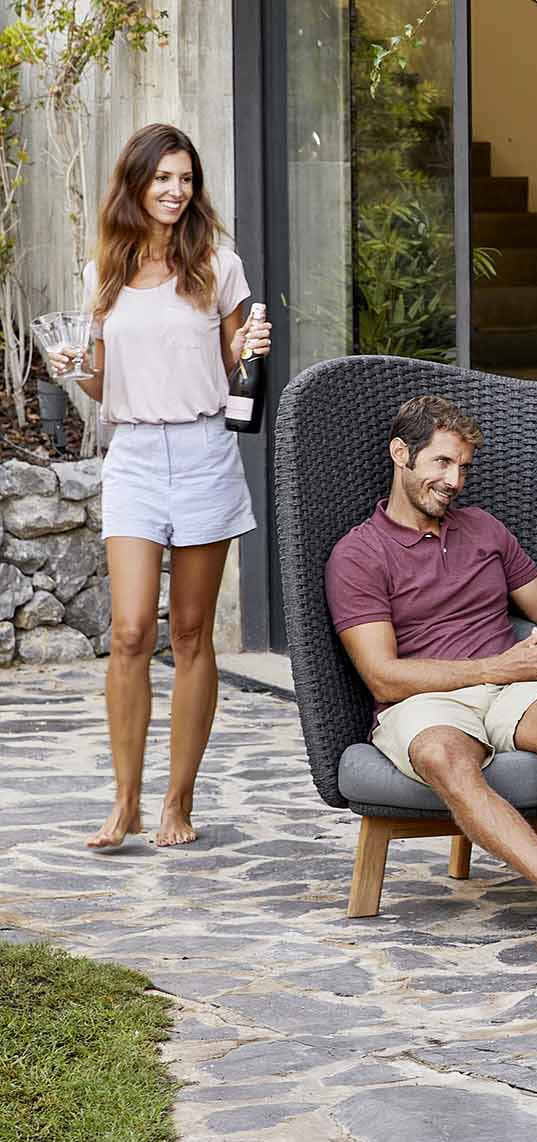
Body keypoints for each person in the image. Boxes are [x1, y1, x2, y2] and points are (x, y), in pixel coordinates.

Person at [325, 395, 537, 965]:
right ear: (401, 455)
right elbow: (383, 677)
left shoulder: (484, 529)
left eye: (463, 467)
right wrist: (494, 668)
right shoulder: (358, 555)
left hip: (510, 686)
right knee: (443, 756)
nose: (454, 480)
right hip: (425, 699)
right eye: (441, 464)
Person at [50, 123, 273, 849]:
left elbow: (241, 369)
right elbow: (100, 381)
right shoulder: (105, 273)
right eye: (163, 179)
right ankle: (125, 803)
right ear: (137, 185)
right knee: (129, 631)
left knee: (190, 633)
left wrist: (249, 348)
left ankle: (177, 802)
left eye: (186, 178)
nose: (177, 191)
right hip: (137, 454)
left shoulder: (218, 265)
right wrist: (69, 367)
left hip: (205, 448)